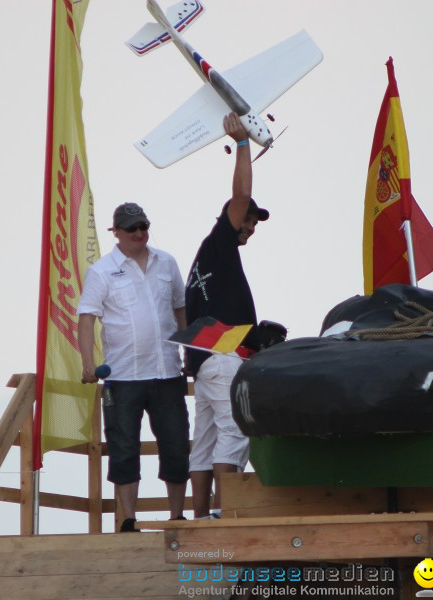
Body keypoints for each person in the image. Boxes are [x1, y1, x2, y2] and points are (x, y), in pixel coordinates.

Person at [77, 202, 190, 532]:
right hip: (123, 376)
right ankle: (128, 519)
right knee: (123, 447)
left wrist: (188, 354)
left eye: (143, 226)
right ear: (117, 233)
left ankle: (177, 517)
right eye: (132, 228)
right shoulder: (102, 271)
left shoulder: (166, 262)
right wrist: (88, 364)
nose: (139, 233)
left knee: (176, 443)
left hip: (167, 371)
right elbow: (86, 319)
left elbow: (181, 309)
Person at [184, 113, 269, 519]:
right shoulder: (219, 241)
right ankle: (224, 516)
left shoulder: (204, 258)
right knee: (235, 433)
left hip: (203, 360)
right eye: (250, 220)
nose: (251, 227)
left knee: (205, 439)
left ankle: (200, 518)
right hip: (221, 357)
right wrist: (243, 145)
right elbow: (240, 195)